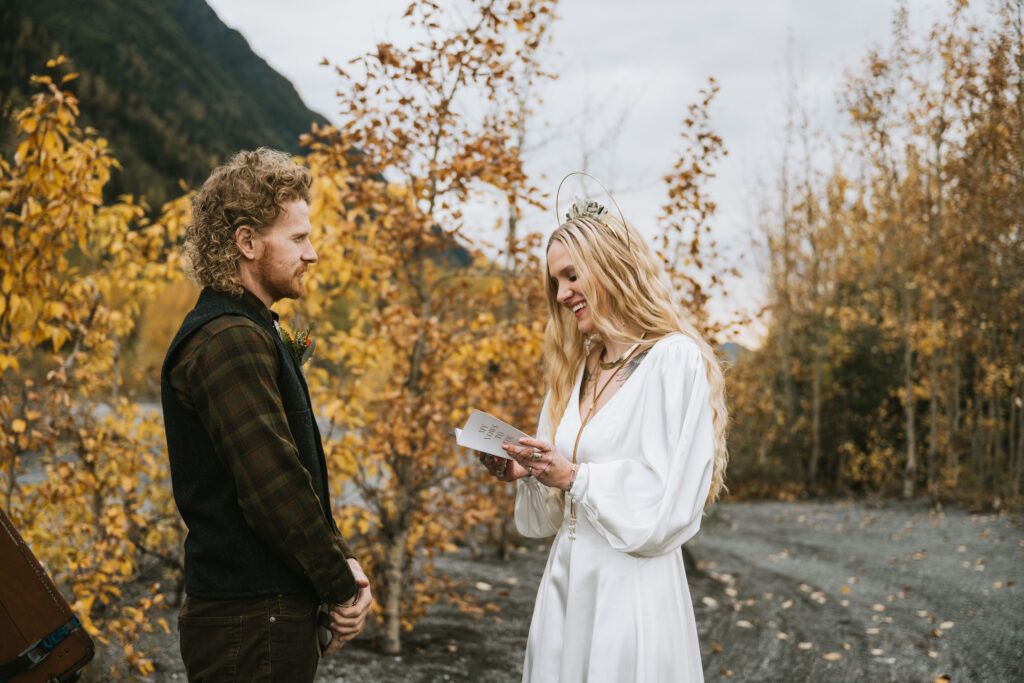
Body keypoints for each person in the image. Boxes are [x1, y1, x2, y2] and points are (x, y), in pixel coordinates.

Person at [478, 198, 728, 682]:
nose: (561, 293)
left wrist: (574, 476)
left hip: (632, 586)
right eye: (555, 281)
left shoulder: (673, 360)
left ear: (612, 268)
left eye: (571, 275)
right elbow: (555, 506)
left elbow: (669, 500)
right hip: (568, 581)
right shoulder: (578, 368)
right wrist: (526, 470)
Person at [161, 148, 372, 682]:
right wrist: (340, 584)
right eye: (298, 238)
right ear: (247, 242)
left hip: (261, 616)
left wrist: (339, 562)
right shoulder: (228, 339)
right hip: (249, 622)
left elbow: (293, 472)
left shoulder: (248, 329)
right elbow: (272, 486)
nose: (314, 254)